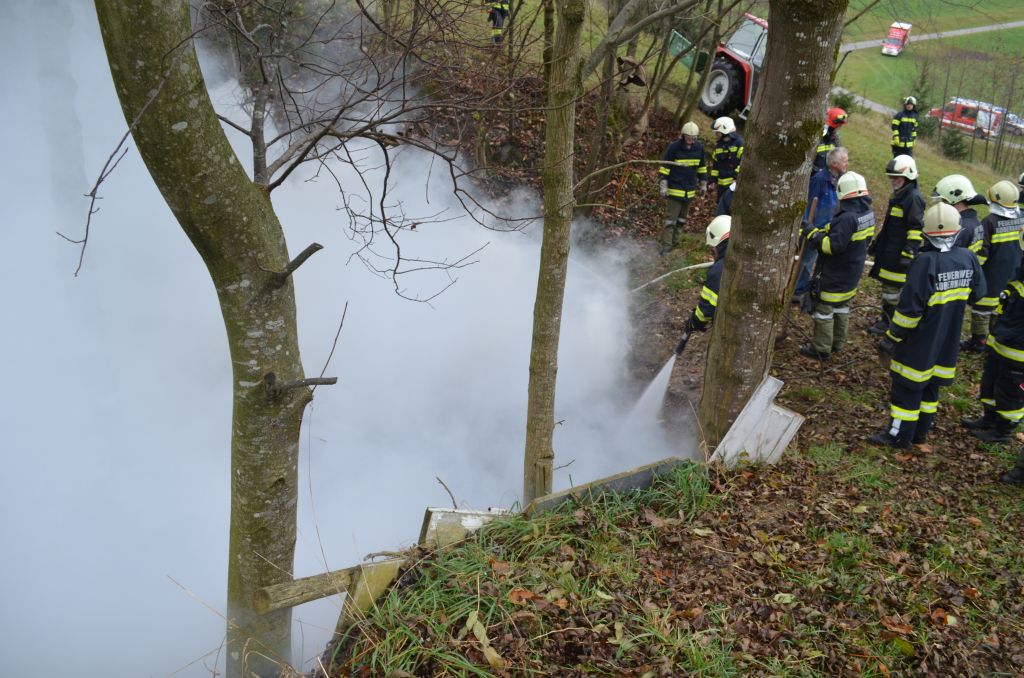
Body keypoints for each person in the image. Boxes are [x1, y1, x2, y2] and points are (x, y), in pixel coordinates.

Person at [869, 203, 985, 449]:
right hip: (947, 341)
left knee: (906, 389)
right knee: (931, 387)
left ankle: (898, 436)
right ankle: (920, 433)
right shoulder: (968, 257)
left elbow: (909, 311)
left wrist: (892, 337)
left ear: (927, 233)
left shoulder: (925, 262)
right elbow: (979, 294)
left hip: (919, 343)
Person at [799, 171, 875, 360]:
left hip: (835, 273)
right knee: (841, 307)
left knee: (824, 310)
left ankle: (821, 349)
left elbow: (831, 246)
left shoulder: (847, 218)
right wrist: (823, 230)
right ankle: (837, 342)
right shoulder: (867, 213)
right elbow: (843, 234)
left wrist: (813, 234)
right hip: (852, 272)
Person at [961, 228, 1024, 443]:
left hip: (1018, 352)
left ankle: (1003, 431)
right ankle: (989, 418)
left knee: (1010, 393)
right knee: (990, 382)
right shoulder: (1021, 273)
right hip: (1001, 342)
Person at [866, 155, 925, 335]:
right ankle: (887, 318)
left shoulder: (912, 198)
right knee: (888, 289)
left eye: (896, 177)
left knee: (892, 291)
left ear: (908, 176)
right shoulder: (901, 195)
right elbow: (891, 226)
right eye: (891, 177)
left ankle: (890, 323)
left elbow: (916, 228)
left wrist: (908, 252)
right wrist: (878, 243)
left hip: (899, 255)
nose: (893, 180)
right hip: (890, 251)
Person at [962, 180, 1024, 352]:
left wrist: (973, 273)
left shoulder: (989, 222)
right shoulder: (1021, 219)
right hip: (1012, 277)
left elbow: (981, 255)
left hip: (990, 279)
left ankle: (978, 342)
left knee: (981, 312)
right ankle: (993, 342)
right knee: (1000, 310)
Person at [795, 147, 848, 302]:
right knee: (806, 261)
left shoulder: (840, 180)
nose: (847, 163)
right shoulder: (819, 179)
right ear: (834, 164)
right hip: (814, 231)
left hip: (828, 230)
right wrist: (805, 228)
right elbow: (808, 204)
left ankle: (810, 286)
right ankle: (798, 290)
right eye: (844, 161)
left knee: (817, 262)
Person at [658, 121, 707, 254]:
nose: (691, 140)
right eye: (688, 137)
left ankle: (675, 243)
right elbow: (665, 166)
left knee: (681, 220)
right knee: (670, 220)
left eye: (693, 138)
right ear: (683, 135)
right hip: (675, 189)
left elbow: (702, 167)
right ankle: (666, 246)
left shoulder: (699, 148)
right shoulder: (674, 147)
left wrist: (703, 184)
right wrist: (664, 185)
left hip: (689, 191)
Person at [681, 216, 731, 338]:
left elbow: (707, 309)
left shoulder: (718, 271)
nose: (711, 252)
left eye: (712, 249)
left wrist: (695, 322)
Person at [933, 174, 986, 250]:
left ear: (954, 199)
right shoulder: (975, 223)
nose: (942, 204)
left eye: (944, 200)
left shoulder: (960, 228)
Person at [710, 117, 743, 203]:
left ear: (724, 131)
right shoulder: (719, 146)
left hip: (733, 186)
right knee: (720, 206)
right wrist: (713, 180)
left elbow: (742, 163)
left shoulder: (739, 144)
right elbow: (715, 166)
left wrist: (736, 177)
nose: (716, 134)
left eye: (718, 132)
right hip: (721, 186)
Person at [812, 107, 847, 173]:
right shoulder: (817, 138)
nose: (839, 128)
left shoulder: (835, 139)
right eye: (838, 126)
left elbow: (838, 158)